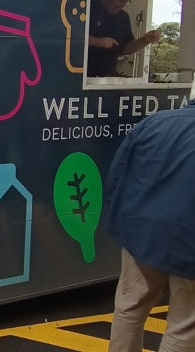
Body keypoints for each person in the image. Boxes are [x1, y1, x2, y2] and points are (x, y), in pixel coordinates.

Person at [104, 87, 195, 351]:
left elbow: (118, 175)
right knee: (184, 326)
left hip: (141, 233)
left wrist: (122, 225)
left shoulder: (155, 122)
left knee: (129, 308)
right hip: (189, 240)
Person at [87, 0, 160, 77]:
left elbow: (124, 49)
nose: (122, 5)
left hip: (108, 76)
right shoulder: (86, 7)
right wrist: (95, 41)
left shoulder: (123, 17)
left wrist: (144, 40)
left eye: (126, 2)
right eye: (121, 1)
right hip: (81, 74)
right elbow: (74, 36)